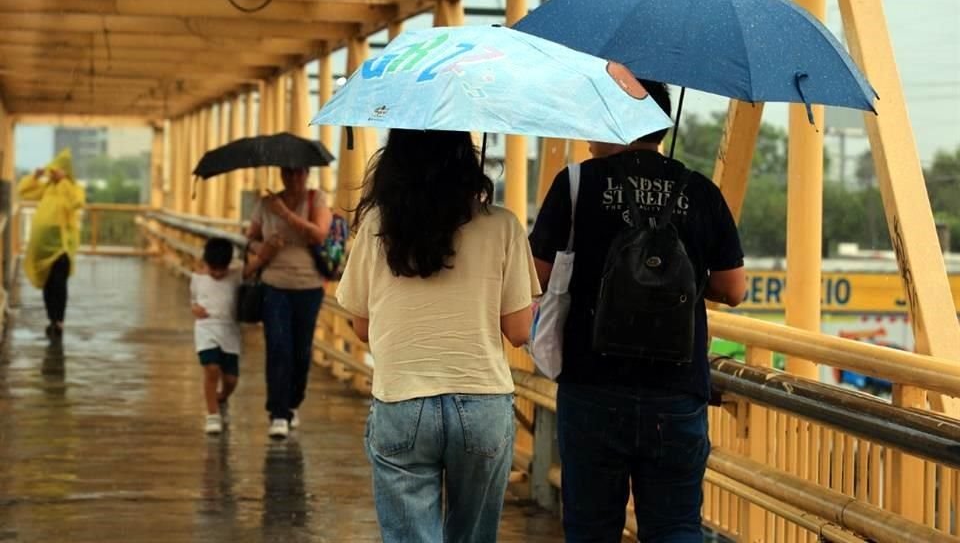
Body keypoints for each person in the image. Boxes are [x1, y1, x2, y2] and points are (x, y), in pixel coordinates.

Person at [528, 80, 747, 543]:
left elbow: (537, 277)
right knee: (675, 528)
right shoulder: (700, 190)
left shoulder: (576, 184)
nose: (588, 131)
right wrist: (675, 276)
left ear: (618, 118)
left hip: (593, 385)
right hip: (676, 388)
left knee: (592, 528)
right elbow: (733, 289)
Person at [336, 130, 540, 543]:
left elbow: (362, 327)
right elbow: (519, 331)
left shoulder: (378, 225)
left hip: (402, 399)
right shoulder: (503, 225)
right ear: (467, 161)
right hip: (481, 401)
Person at [245, 167, 332, 439]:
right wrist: (264, 248)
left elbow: (319, 234)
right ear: (281, 174)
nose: (294, 178)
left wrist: (285, 214)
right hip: (274, 283)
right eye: (288, 173)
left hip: (309, 285)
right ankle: (278, 413)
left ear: (307, 174)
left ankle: (294, 403)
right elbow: (249, 238)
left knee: (301, 351)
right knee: (278, 347)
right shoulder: (265, 203)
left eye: (299, 173)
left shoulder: (315, 199)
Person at [16, 148, 85, 341]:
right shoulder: (47, 188)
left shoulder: (72, 188)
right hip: (42, 246)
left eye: (57, 171)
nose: (53, 174)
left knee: (59, 283)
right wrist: (35, 177)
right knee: (48, 284)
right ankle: (51, 319)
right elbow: (23, 191)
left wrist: (63, 181)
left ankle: (59, 320)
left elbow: (76, 203)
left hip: (61, 246)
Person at [191, 237, 242, 435]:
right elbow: (193, 300)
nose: (218, 274)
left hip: (229, 330)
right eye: (214, 269)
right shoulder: (198, 278)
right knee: (211, 369)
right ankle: (212, 415)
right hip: (206, 328)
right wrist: (195, 309)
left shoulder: (236, 276)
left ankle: (221, 397)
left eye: (222, 269)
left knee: (231, 379)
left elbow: (255, 265)